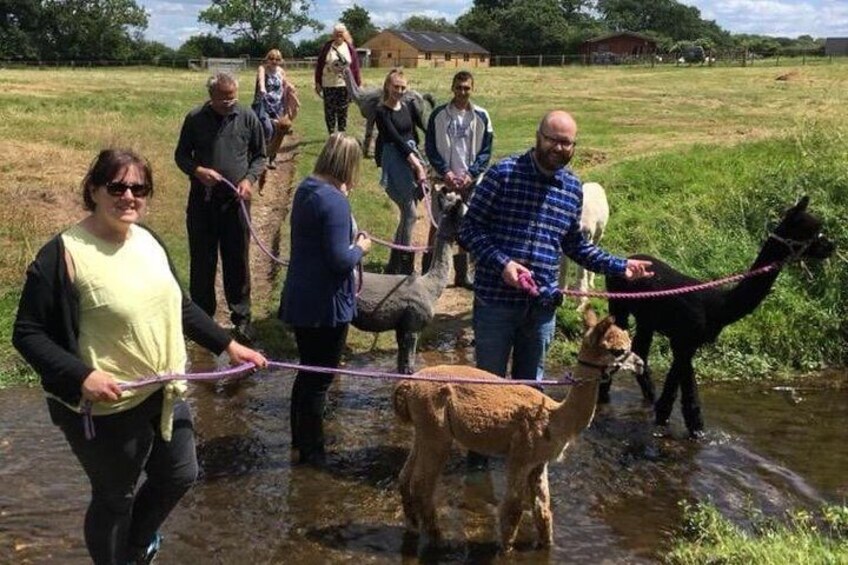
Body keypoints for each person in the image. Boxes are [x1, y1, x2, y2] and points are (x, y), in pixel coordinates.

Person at [12, 149, 268, 565]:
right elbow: (27, 333)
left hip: (165, 390)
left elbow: (179, 306)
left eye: (139, 188)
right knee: (115, 497)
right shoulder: (63, 254)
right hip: (105, 406)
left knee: (180, 473)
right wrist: (81, 376)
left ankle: (134, 546)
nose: (129, 196)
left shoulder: (147, 239)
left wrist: (228, 344)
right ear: (94, 190)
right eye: (117, 186)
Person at [458, 111, 653, 466]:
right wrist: (503, 264)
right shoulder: (503, 175)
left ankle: (523, 465)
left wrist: (621, 266)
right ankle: (478, 468)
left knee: (531, 394)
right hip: (496, 302)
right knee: (488, 390)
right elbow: (469, 230)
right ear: (538, 136)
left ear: (573, 146)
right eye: (552, 138)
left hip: (542, 308)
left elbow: (576, 246)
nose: (557, 147)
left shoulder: (571, 189)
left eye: (565, 142)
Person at [279, 133, 372, 466]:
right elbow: (339, 259)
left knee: (306, 372)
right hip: (325, 305)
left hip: (301, 296)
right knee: (321, 378)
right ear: (348, 165)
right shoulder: (333, 201)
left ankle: (298, 438)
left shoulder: (306, 189)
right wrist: (361, 247)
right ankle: (314, 451)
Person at [175, 71, 266, 342]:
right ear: (211, 96)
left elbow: (260, 156)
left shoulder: (247, 116)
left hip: (236, 201)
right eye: (224, 98)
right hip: (202, 202)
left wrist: (249, 180)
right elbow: (181, 155)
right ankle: (202, 321)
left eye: (233, 97)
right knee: (202, 260)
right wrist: (198, 170)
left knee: (237, 259)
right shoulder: (194, 119)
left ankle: (242, 318)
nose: (230, 102)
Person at [424, 70, 494, 288]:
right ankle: (429, 271)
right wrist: (446, 172)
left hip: (470, 181)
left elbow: (486, 150)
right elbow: (431, 148)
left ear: (473, 89)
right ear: (452, 87)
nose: (462, 92)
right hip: (443, 179)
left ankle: (462, 275)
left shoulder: (482, 116)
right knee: (437, 224)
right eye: (459, 87)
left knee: (467, 225)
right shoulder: (439, 115)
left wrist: (471, 174)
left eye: (467, 88)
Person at [374, 68, 427, 275]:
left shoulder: (408, 106)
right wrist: (416, 163)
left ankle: (394, 264)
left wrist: (421, 158)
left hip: (410, 157)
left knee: (408, 213)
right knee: (411, 213)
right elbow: (395, 139)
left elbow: (414, 132)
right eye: (396, 86)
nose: (400, 91)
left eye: (403, 87)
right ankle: (404, 265)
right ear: (388, 85)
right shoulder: (381, 111)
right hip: (395, 160)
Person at [254, 48, 300, 170]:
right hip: (263, 104)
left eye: (277, 59)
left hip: (277, 105)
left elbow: (284, 83)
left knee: (276, 131)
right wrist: (262, 88)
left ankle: (272, 159)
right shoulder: (262, 69)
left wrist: (290, 86)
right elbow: (261, 80)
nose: (274, 61)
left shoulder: (281, 71)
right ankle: (261, 157)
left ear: (280, 60)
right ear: (267, 59)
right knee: (267, 129)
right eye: (272, 58)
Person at [314, 23, 360, 135]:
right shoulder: (327, 47)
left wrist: (357, 84)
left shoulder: (349, 48)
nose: (339, 35)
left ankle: (341, 134)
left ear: (345, 34)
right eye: (336, 33)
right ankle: (331, 134)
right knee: (329, 111)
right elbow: (319, 65)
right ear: (333, 34)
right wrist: (318, 82)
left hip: (344, 84)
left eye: (341, 33)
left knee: (343, 110)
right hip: (328, 84)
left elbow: (355, 68)